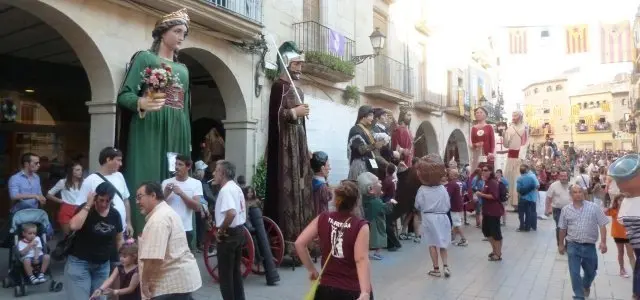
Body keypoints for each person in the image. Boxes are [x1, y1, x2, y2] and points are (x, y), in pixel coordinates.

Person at [117, 8, 192, 235]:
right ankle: (142, 230)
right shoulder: (145, 58)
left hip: (178, 127)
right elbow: (124, 95)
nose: (181, 37)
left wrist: (187, 139)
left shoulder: (184, 69)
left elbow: (186, 108)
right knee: (148, 174)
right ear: (163, 32)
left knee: (175, 180)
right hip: (149, 125)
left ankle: (174, 231)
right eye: (177, 31)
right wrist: (141, 102)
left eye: (184, 34)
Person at [263, 41, 313, 245]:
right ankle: (286, 239)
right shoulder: (278, 87)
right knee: (286, 190)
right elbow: (275, 117)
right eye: (296, 64)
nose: (300, 68)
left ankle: (302, 236)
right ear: (286, 64)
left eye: (301, 64)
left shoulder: (298, 90)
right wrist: (294, 112)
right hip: (285, 146)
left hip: (299, 143)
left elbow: (302, 123)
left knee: (301, 187)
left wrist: (306, 146)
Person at [294, 180, 373, 300]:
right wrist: (365, 291)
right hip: (352, 289)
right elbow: (361, 259)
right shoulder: (360, 226)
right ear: (356, 202)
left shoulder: (323, 218)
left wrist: (312, 270)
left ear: (336, 199)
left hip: (326, 289)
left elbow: (299, 243)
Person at [136, 181, 201, 299]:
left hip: (169, 285)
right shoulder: (165, 212)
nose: (137, 201)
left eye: (140, 197)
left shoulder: (158, 220)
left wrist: (144, 283)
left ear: (153, 195)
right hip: (179, 281)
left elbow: (152, 258)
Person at [65, 182, 124, 300]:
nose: (104, 204)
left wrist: (118, 257)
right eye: (101, 200)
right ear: (95, 197)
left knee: (100, 298)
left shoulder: (114, 214)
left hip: (102, 265)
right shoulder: (86, 209)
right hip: (80, 262)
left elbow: (119, 238)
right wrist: (88, 204)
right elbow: (74, 226)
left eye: (108, 201)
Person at [77, 147, 132, 270]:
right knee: (106, 265)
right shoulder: (90, 180)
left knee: (120, 265)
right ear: (108, 159)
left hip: (120, 229)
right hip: (101, 231)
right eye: (118, 160)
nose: (121, 164)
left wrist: (128, 222)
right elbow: (80, 206)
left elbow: (126, 200)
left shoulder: (119, 176)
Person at [558, 185, 609, 300]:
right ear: (571, 195)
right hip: (573, 245)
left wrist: (603, 242)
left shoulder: (594, 207)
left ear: (584, 193)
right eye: (575, 192)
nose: (578, 194)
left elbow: (602, 224)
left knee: (591, 272)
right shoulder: (566, 210)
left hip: (589, 246)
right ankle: (579, 296)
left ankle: (585, 285)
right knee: (574, 273)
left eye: (580, 191)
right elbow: (562, 228)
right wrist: (561, 244)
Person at [213, 160, 249, 298]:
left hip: (229, 235)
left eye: (216, 171)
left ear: (222, 173)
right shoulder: (235, 187)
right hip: (239, 232)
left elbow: (231, 213)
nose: (214, 173)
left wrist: (221, 230)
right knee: (235, 273)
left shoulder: (226, 190)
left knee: (226, 277)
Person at [414, 157, 452, 277]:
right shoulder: (442, 189)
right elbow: (448, 204)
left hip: (429, 217)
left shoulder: (422, 189)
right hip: (443, 217)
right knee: (443, 243)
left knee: (432, 243)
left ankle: (436, 269)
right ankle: (446, 266)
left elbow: (417, 204)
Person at [161, 154, 203, 249]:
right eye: (176, 164)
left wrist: (181, 194)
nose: (176, 167)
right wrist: (166, 193)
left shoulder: (196, 183)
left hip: (185, 229)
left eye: (180, 164)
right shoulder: (165, 182)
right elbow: (157, 206)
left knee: (182, 262)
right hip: (166, 228)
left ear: (188, 167)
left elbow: (197, 207)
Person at [358, 172, 395, 260]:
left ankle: (366, 252)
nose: (381, 182)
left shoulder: (366, 200)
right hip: (377, 223)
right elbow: (385, 209)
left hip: (369, 221)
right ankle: (377, 253)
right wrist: (390, 203)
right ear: (371, 189)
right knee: (379, 237)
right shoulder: (376, 202)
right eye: (378, 182)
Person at [500, 111, 528, 210]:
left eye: (515, 115)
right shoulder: (510, 128)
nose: (513, 117)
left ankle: (517, 202)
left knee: (517, 179)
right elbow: (506, 145)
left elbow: (525, 144)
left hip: (518, 158)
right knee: (508, 178)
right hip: (510, 157)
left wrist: (521, 157)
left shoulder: (525, 128)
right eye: (512, 115)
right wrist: (504, 136)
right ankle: (508, 201)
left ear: (520, 117)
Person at [47, 161, 84, 235]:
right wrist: (60, 201)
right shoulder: (63, 182)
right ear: (71, 171)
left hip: (80, 209)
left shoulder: (85, 182)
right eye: (77, 170)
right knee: (68, 236)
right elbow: (49, 194)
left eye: (81, 170)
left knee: (81, 235)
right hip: (66, 209)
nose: (80, 172)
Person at [348, 105, 384, 181]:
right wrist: (374, 145)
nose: (372, 118)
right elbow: (360, 150)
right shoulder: (355, 130)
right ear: (363, 116)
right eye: (370, 115)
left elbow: (373, 152)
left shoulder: (366, 130)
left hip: (369, 163)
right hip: (360, 164)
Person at [475, 166, 503, 261]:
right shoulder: (486, 182)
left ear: (490, 171)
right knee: (486, 231)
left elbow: (494, 196)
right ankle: (495, 250)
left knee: (495, 233)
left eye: (486, 170)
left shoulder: (493, 182)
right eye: (482, 170)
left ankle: (498, 254)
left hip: (493, 211)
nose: (483, 171)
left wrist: (481, 194)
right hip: (487, 211)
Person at [604, 195, 636, 278]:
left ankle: (636, 272)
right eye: (620, 200)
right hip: (618, 235)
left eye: (623, 200)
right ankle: (622, 269)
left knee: (631, 254)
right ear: (616, 201)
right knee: (620, 252)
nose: (621, 202)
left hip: (628, 235)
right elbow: (605, 212)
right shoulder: (614, 210)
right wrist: (610, 206)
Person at [546, 169, 572, 246]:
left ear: (567, 176)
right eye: (562, 176)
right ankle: (560, 244)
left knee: (568, 228)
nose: (563, 178)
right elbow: (548, 198)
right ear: (559, 176)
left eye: (565, 176)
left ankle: (568, 245)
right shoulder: (553, 185)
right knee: (560, 227)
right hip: (558, 210)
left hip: (569, 210)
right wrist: (547, 209)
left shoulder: (571, 186)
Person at [445, 169, 467, 247]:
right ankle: (452, 239)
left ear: (454, 175)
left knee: (457, 223)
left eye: (450, 173)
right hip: (459, 204)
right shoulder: (460, 182)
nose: (448, 174)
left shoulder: (451, 184)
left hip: (454, 205)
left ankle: (464, 239)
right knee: (455, 222)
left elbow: (447, 195)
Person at [516, 164, 539, 232]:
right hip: (531, 198)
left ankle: (521, 226)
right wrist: (532, 189)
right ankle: (528, 227)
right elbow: (537, 185)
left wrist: (522, 193)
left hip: (522, 198)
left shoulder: (519, 178)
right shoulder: (532, 176)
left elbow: (518, 189)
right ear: (527, 170)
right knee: (529, 213)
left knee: (521, 214)